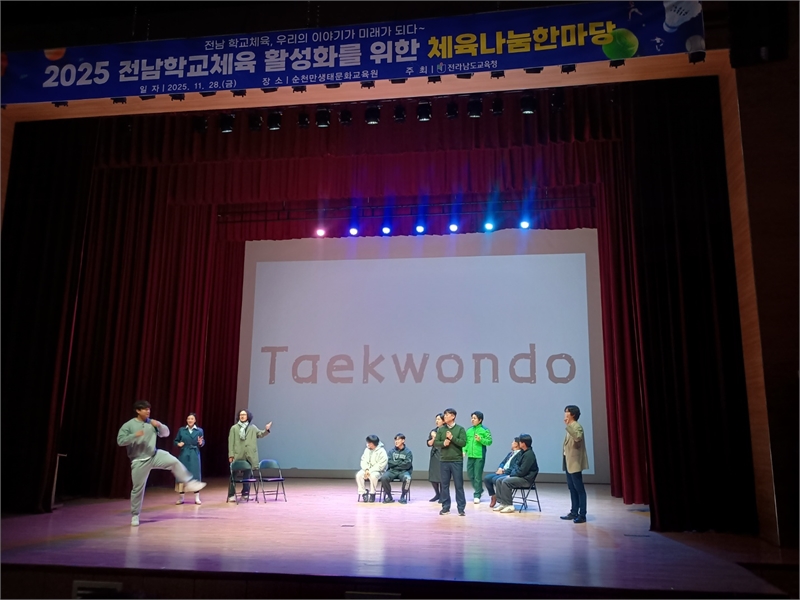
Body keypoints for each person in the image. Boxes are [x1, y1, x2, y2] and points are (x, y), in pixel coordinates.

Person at [116, 400, 207, 527]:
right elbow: (120, 441)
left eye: (149, 409)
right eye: (145, 409)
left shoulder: (152, 423)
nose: (148, 411)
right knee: (137, 489)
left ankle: (189, 482)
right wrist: (134, 436)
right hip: (139, 460)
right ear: (138, 411)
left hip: (154, 455)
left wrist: (159, 425)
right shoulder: (129, 425)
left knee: (174, 461)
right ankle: (135, 515)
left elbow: (166, 433)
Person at [227, 409, 272, 502]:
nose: (242, 416)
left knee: (247, 476)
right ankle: (231, 494)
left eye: (244, 414)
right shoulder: (234, 428)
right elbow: (231, 442)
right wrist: (231, 455)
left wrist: (266, 430)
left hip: (249, 456)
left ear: (248, 416)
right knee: (233, 475)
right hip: (238, 455)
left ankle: (245, 494)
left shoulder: (252, 428)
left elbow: (260, 434)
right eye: (241, 415)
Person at [493, 433, 539, 513]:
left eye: (520, 442)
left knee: (506, 481)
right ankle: (502, 503)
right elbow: (516, 466)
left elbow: (522, 471)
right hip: (519, 476)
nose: (519, 443)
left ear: (523, 443)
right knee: (499, 480)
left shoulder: (529, 455)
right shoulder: (522, 452)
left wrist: (511, 475)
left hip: (526, 479)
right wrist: (512, 474)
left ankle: (509, 505)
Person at [433, 408, 467, 516]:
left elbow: (463, 443)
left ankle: (461, 508)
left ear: (453, 416)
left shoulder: (460, 429)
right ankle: (445, 507)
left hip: (456, 460)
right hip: (444, 460)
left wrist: (452, 438)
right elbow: (436, 443)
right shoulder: (441, 430)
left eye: (447, 415)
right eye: (444, 415)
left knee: (458, 485)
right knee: (444, 485)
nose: (445, 417)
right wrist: (443, 443)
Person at [560, 404, 589, 523]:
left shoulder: (576, 426)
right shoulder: (570, 426)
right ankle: (574, 512)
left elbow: (578, 438)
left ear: (573, 414)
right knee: (572, 488)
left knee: (579, 489)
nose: (565, 413)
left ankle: (582, 514)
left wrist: (569, 427)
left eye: (567, 411)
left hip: (575, 463)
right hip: (568, 462)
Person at [173, 412, 205, 505]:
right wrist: (178, 444)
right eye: (188, 419)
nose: (190, 420)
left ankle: (197, 498)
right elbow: (175, 441)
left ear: (195, 420)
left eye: (192, 419)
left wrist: (201, 443)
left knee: (195, 474)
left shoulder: (199, 430)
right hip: (184, 453)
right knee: (182, 474)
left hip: (194, 453)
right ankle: (181, 498)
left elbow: (202, 442)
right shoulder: (182, 430)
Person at [464, 410, 493, 504]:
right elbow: (466, 442)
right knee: (470, 474)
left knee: (477, 475)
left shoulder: (485, 430)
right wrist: (464, 451)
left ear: (480, 420)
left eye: (474, 418)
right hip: (470, 455)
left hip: (479, 455)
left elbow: (489, 442)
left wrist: (481, 439)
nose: (472, 420)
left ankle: (477, 494)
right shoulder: (469, 430)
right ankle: (479, 489)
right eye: (472, 418)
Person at [484, 437, 521, 508]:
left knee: (496, 479)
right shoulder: (510, 453)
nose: (511, 443)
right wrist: (500, 468)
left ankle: (501, 500)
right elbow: (503, 462)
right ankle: (493, 496)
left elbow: (514, 467)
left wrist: (504, 471)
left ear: (516, 444)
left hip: (508, 473)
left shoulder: (519, 455)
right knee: (487, 478)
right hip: (502, 471)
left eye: (513, 442)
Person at [381, 433, 413, 504]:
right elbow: (390, 462)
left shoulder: (408, 452)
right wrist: (400, 463)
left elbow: (407, 464)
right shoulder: (391, 451)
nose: (396, 441)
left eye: (398, 440)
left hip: (403, 471)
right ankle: (389, 496)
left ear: (403, 440)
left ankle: (403, 496)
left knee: (408, 479)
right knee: (384, 477)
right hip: (392, 470)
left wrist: (396, 463)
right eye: (395, 440)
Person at [356, 434, 388, 502]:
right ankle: (363, 493)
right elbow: (363, 460)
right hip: (366, 470)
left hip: (378, 471)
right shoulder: (366, 450)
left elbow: (381, 465)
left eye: (369, 443)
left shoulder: (382, 451)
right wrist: (366, 469)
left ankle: (372, 493)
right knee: (359, 475)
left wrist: (369, 471)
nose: (368, 444)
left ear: (374, 444)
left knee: (373, 476)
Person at [426, 413, 444, 502]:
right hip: (434, 455)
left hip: (443, 455)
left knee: (441, 477)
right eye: (436, 419)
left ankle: (443, 496)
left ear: (443, 421)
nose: (437, 421)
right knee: (433, 477)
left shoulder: (446, 430)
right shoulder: (433, 431)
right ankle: (437, 494)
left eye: (439, 419)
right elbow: (429, 443)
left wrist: (436, 437)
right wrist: (433, 438)